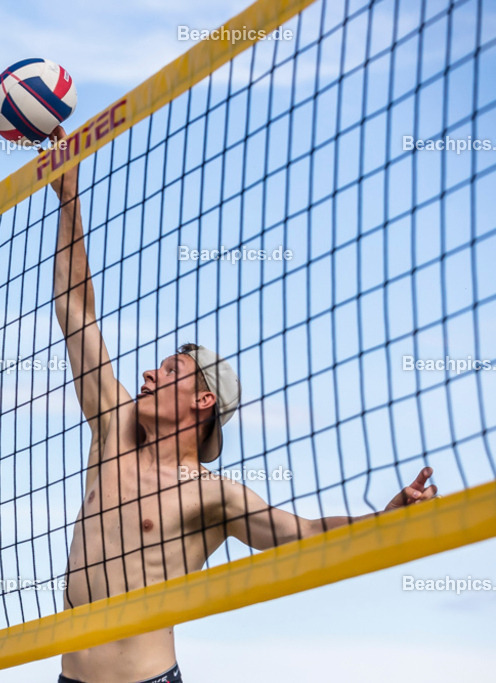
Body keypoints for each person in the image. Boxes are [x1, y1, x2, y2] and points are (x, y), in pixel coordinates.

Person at [44, 126, 438, 683]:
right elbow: (74, 310)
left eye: (171, 371)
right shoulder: (115, 426)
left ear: (203, 399)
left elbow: (304, 536)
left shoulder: (215, 495)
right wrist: (69, 201)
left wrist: (386, 519)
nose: (150, 374)